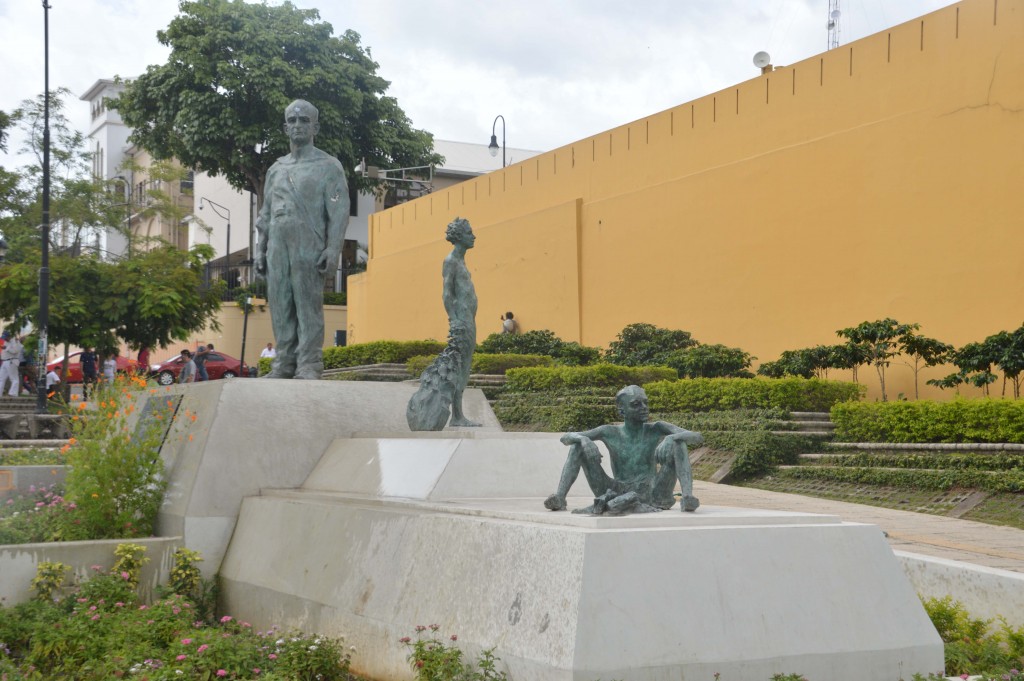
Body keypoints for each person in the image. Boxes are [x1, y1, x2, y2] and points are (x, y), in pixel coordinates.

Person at [254, 99, 349, 380]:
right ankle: (284, 362)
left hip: (308, 242)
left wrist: (333, 249)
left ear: (314, 127)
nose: (298, 125)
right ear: (285, 127)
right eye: (292, 121)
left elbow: (339, 211)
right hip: (277, 245)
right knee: (280, 303)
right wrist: (261, 250)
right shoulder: (276, 169)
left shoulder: (328, 166)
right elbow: (265, 214)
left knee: (307, 304)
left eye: (304, 121)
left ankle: (309, 363)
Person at [544, 385, 703, 514]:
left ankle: (688, 497)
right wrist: (583, 439)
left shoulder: (657, 428)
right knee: (577, 446)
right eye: (636, 404)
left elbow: (697, 436)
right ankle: (560, 497)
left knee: (679, 443)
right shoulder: (609, 431)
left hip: (654, 491)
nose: (644, 408)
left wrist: (672, 437)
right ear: (622, 411)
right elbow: (566, 437)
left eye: (645, 403)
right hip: (615, 490)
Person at [0, 332, 22, 397]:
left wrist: (6, 348)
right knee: (1, 379)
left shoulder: (15, 342)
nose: (5, 339)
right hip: (4, 361)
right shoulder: (6, 342)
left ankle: (13, 393)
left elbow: (15, 351)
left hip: (11, 361)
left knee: (14, 378)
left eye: (6, 338)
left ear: (9, 336)